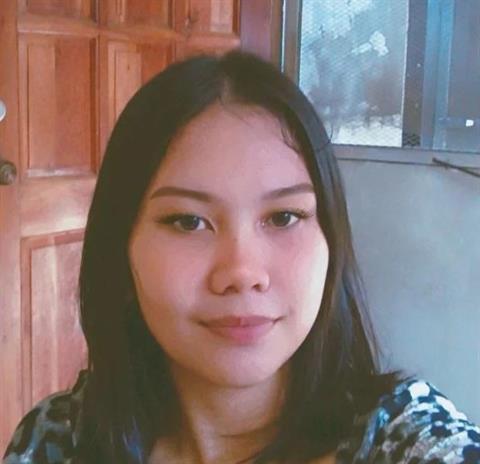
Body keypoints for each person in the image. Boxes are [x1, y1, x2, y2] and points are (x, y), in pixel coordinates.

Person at [3, 50, 480, 464]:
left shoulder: (405, 437)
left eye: (284, 217)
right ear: (121, 251)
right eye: (188, 221)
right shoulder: (57, 440)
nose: (242, 273)